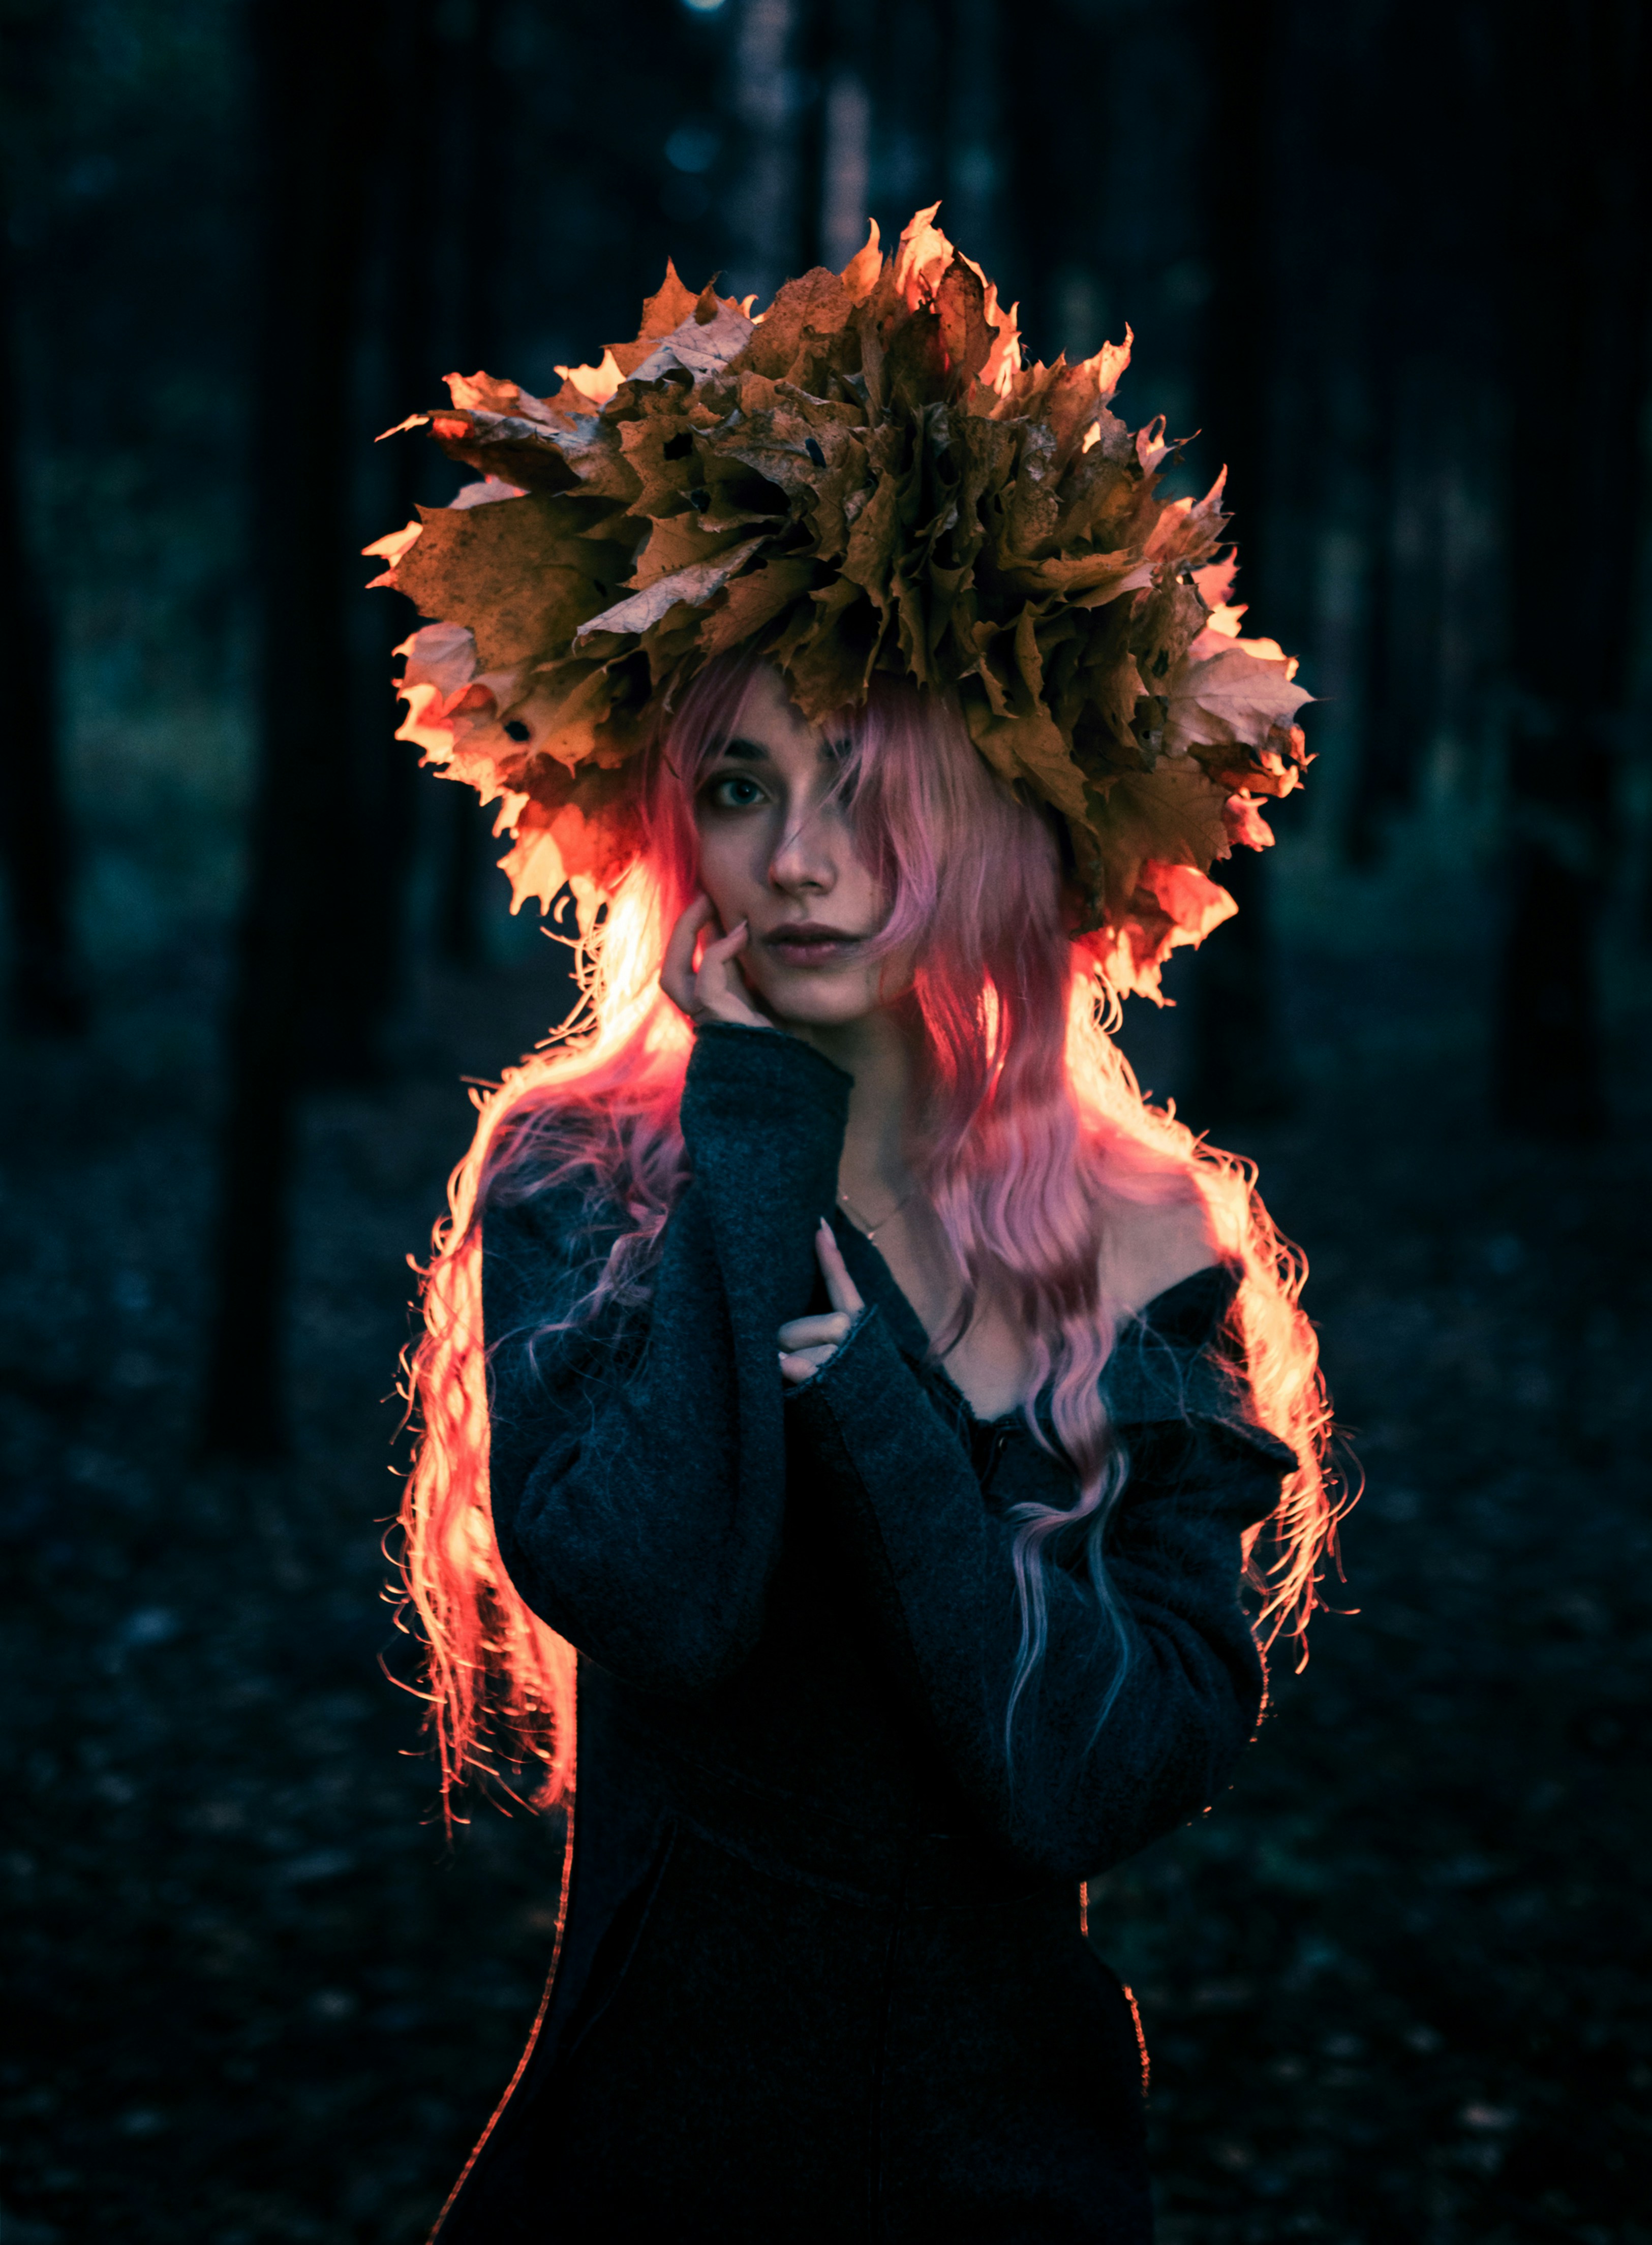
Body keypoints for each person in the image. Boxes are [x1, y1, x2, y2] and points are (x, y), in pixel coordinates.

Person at [372, 208, 1339, 2242]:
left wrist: (881, 1407)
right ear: (663, 813)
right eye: (737, 785)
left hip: (1011, 2193)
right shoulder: (572, 1176)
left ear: (991, 811)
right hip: (633, 2180)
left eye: (865, 788)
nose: (797, 861)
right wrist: (751, 1142)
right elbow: (661, 1594)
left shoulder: (1148, 1240)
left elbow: (1092, 1778)